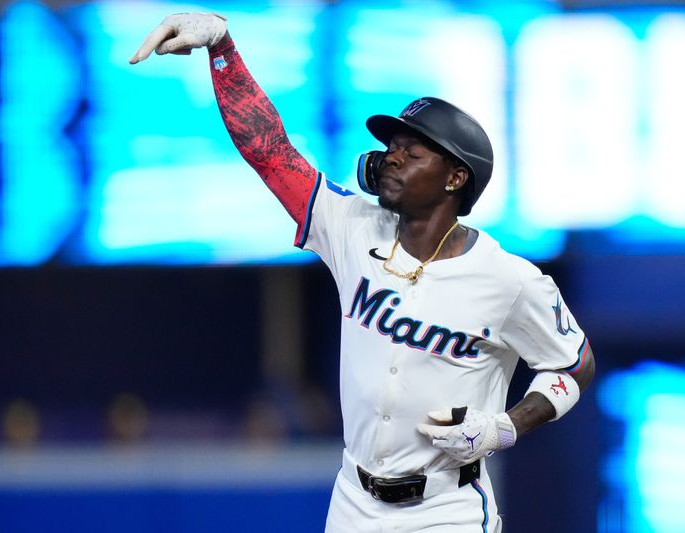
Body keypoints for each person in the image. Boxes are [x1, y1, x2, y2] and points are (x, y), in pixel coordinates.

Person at [129, 13, 595, 533]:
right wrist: (223, 47)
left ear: (455, 177)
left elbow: (575, 365)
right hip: (353, 500)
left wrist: (505, 427)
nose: (390, 159)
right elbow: (270, 153)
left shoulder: (509, 280)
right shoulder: (352, 225)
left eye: (410, 153)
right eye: (390, 149)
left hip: (447, 510)